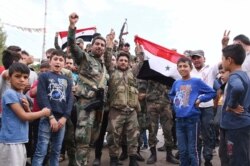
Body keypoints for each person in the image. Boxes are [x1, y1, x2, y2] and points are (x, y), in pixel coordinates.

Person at [67, 12, 109, 165]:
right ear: (91, 46)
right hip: (86, 104)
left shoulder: (103, 65)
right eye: (97, 44)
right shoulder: (84, 58)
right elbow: (71, 45)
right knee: (82, 139)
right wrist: (72, 26)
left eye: (102, 45)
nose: (100, 47)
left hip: (99, 107)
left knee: (92, 140)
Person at [0, 62, 51, 166]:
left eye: (25, 77)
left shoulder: (21, 95)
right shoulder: (10, 94)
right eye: (17, 76)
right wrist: (42, 112)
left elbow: (29, 119)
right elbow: (23, 116)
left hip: (19, 140)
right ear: (9, 78)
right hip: (11, 142)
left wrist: (28, 108)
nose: (22, 79)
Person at [169, 57, 216, 166]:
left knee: (192, 150)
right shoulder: (176, 83)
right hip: (179, 121)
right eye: (180, 66)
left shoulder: (196, 82)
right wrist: (175, 104)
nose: (182, 68)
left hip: (192, 121)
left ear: (190, 68)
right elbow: (171, 95)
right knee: (182, 150)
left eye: (185, 66)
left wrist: (200, 99)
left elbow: (212, 92)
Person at [32, 50, 74, 166]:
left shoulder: (68, 80)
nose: (58, 62)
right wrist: (50, 117)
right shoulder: (44, 76)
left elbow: (70, 99)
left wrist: (65, 118)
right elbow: (41, 97)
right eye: (55, 59)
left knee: (56, 151)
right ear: (50, 61)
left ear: (64, 64)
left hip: (61, 120)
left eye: (61, 60)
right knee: (41, 151)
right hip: (47, 118)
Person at [105, 49, 140, 166]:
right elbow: (107, 59)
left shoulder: (132, 73)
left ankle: (133, 160)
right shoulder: (112, 72)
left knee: (133, 137)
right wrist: (109, 46)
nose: (123, 62)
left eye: (125, 60)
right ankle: (114, 160)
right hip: (116, 111)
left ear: (129, 62)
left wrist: (139, 52)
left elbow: (140, 63)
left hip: (131, 111)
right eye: (121, 60)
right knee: (113, 136)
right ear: (117, 62)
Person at [219, 44, 250, 166]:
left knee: (237, 159)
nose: (222, 62)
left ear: (229, 60)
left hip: (235, 125)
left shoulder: (234, 76)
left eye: (222, 59)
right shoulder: (244, 75)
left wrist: (232, 104)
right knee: (231, 155)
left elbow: (237, 88)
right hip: (234, 125)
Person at [189, 50, 218, 166]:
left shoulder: (210, 69)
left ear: (204, 59)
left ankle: (207, 159)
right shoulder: (189, 72)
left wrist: (224, 45)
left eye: (198, 58)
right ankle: (197, 161)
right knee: (195, 136)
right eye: (194, 58)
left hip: (207, 108)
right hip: (194, 109)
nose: (196, 60)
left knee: (208, 134)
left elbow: (224, 61)